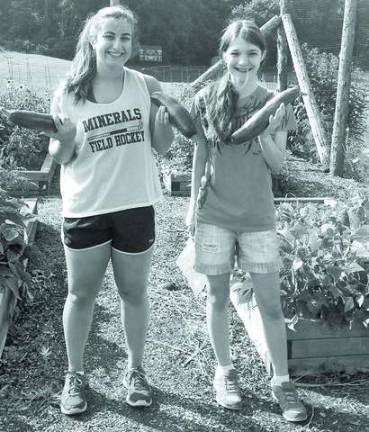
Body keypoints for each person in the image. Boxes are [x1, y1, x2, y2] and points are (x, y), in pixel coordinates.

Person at [45, 5, 174, 415]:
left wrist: (165, 119)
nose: (118, 45)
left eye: (125, 38)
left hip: (135, 204)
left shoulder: (146, 85)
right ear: (93, 40)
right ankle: (75, 374)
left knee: (133, 293)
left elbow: (163, 146)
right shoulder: (69, 90)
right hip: (86, 206)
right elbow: (60, 155)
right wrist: (64, 138)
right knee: (81, 294)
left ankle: (135, 370)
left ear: (132, 43)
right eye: (110, 37)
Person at [186, 19, 307, 423]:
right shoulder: (205, 98)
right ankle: (225, 373)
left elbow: (277, 165)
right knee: (217, 298)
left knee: (270, 305)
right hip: (215, 214)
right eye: (235, 53)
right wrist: (191, 208)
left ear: (263, 56)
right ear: (224, 56)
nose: (243, 61)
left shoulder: (277, 102)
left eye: (251, 53)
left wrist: (265, 131)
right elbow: (201, 155)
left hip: (258, 217)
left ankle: (282, 381)